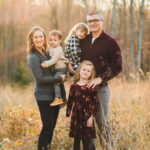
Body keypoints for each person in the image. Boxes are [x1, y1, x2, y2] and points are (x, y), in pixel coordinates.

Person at [80, 11, 122, 149]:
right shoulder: (84, 40)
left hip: (101, 89)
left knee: (102, 122)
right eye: (89, 21)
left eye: (95, 20)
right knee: (86, 123)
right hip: (83, 88)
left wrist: (100, 79)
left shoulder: (110, 42)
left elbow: (117, 66)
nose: (92, 23)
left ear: (102, 22)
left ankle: (108, 147)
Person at [27, 26, 66, 150]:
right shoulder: (33, 57)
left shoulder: (48, 52)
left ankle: (47, 148)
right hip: (43, 95)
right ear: (32, 40)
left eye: (41, 36)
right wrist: (59, 79)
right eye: (36, 37)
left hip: (55, 95)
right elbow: (41, 79)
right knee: (47, 125)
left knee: (52, 126)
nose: (39, 39)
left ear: (45, 38)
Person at [66, 61, 98, 150]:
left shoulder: (92, 86)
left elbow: (95, 103)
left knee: (87, 143)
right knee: (76, 143)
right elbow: (70, 102)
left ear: (91, 74)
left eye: (88, 71)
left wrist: (91, 118)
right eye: (84, 69)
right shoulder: (73, 86)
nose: (85, 72)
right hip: (76, 117)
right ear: (79, 70)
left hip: (87, 117)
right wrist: (67, 117)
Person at [41, 30, 69, 106]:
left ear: (59, 41)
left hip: (61, 69)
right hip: (57, 69)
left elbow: (53, 60)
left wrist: (46, 64)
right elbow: (48, 52)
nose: (52, 42)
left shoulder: (58, 49)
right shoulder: (52, 47)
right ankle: (64, 99)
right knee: (59, 83)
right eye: (50, 40)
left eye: (55, 40)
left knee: (56, 82)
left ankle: (58, 98)